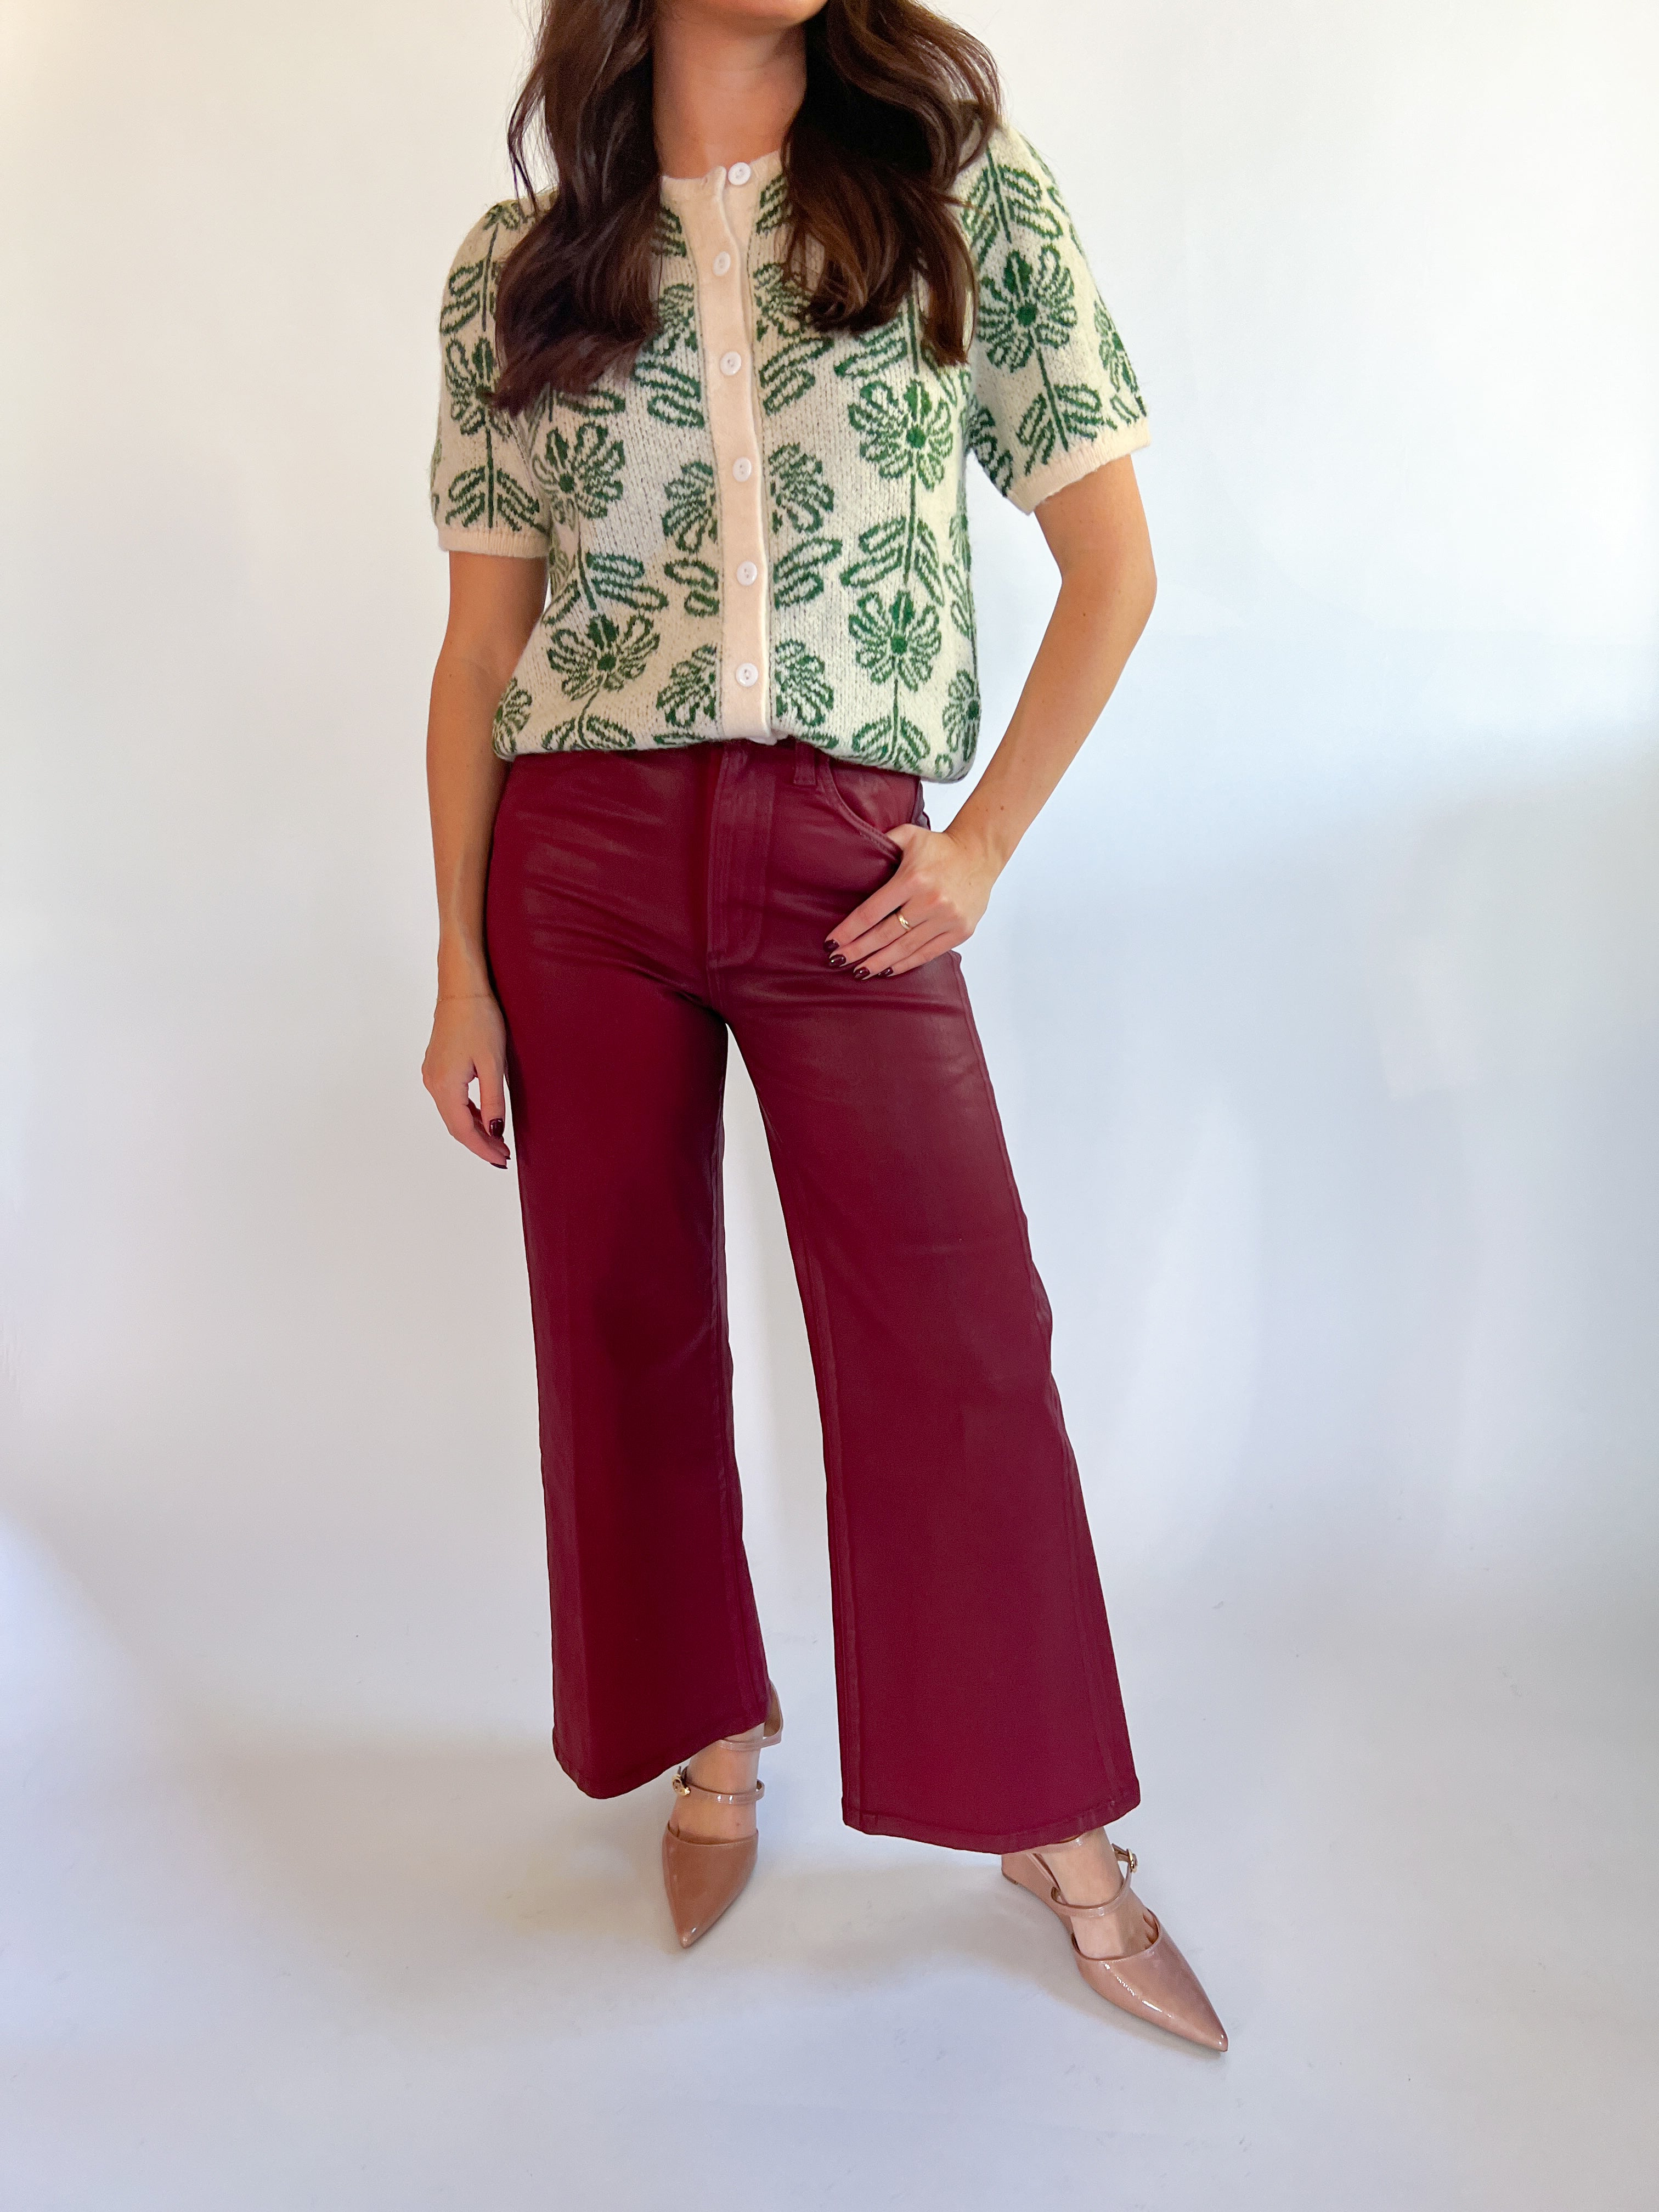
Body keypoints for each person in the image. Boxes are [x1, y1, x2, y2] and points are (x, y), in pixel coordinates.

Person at [421, 0, 1225, 2050]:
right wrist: (458, 965)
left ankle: (1055, 1828)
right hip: (579, 864)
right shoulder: (525, 263)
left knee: (961, 1340)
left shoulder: (959, 200)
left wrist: (984, 845)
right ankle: (711, 1737)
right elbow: (482, 650)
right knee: (619, 1324)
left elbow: (1114, 564)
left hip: (848, 856)